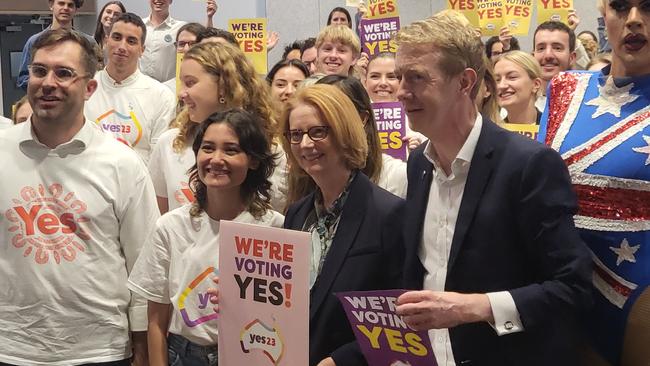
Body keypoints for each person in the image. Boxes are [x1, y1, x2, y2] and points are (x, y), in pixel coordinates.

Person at [392, 11, 591, 365]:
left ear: (465, 81)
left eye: (417, 78)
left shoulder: (529, 165)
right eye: (398, 77)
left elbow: (571, 288)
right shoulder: (418, 165)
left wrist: (475, 307)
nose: (401, 91)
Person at [0, 28, 159, 365]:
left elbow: (146, 269)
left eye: (64, 73)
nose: (48, 82)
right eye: (39, 70)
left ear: (90, 88)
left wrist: (143, 347)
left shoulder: (122, 164)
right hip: (12, 348)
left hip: (98, 350)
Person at [539, 1, 650, 364]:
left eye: (648, 6)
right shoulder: (565, 88)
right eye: (621, 6)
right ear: (604, 11)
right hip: (554, 282)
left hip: (639, 291)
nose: (634, 19)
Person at [128, 109, 284, 366]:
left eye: (231, 150)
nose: (216, 159)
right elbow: (156, 319)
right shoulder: (170, 226)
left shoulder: (274, 227)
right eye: (208, 148)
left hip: (250, 353)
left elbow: (282, 316)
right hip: (184, 354)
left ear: (253, 160)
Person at [281, 84, 404, 366]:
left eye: (318, 132)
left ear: (344, 131)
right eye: (296, 135)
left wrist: (341, 360)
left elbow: (400, 316)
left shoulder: (390, 214)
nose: (305, 144)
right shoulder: (297, 215)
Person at [149, 41, 282, 214]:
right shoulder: (170, 143)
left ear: (223, 86)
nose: (181, 93)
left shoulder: (269, 149)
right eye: (182, 83)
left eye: (190, 83)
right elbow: (159, 216)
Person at [84, 13, 176, 164]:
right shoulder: (83, 87)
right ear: (106, 41)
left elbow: (159, 160)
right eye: (117, 37)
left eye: (131, 41)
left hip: (136, 184)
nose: (122, 46)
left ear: (142, 50)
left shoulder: (161, 96)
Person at [317, 74, 407, 199]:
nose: (322, 124)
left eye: (335, 113)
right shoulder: (309, 169)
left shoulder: (396, 174)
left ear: (362, 118)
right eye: (317, 114)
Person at [16, 0, 95, 89]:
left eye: (70, 5)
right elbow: (23, 79)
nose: (65, 8)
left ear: (75, 10)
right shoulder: (35, 41)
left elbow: (95, 75)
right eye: (61, 3)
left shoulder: (87, 42)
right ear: (51, 5)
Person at [363, 52, 425, 152]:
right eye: (375, 76)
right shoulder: (354, 116)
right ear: (365, 82)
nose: (383, 83)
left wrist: (417, 153)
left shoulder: (420, 120)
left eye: (391, 76)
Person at [533, 21, 577, 111]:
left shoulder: (583, 103)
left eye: (557, 48)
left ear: (571, 58)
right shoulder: (517, 104)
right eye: (541, 48)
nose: (548, 55)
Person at [493, 50, 543, 124]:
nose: (501, 86)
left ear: (536, 84)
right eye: (497, 80)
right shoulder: (491, 132)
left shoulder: (556, 131)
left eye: (512, 77)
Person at [162, 22, 206, 93]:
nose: (186, 49)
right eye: (181, 44)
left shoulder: (216, 87)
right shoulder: (165, 89)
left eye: (193, 44)